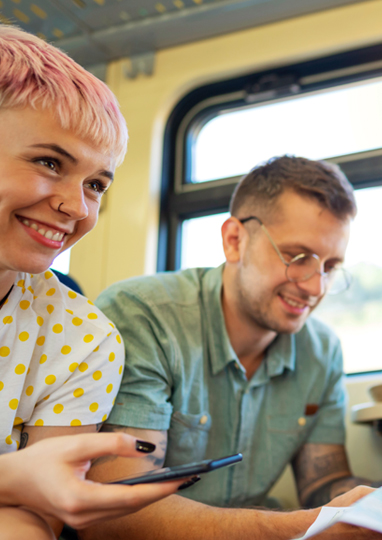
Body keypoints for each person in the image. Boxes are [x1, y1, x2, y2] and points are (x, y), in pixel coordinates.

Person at [83, 156, 382, 540]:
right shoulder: (144, 316)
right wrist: (304, 526)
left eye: (330, 267)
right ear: (234, 240)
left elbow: (324, 484)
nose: (315, 287)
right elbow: (114, 515)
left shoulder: (321, 351)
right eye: (297, 257)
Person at [0, 24, 185, 539]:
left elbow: (29, 517)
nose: (76, 207)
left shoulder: (83, 338)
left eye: (96, 184)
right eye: (48, 162)